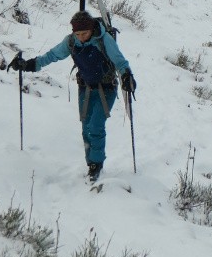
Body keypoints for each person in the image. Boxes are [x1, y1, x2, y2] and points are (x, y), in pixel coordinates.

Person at [10, 11, 136, 182]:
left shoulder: (104, 39)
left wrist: (127, 76)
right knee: (86, 128)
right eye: (78, 34)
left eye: (84, 33)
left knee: (96, 125)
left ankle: (96, 165)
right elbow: (52, 56)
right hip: (85, 88)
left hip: (107, 88)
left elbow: (120, 62)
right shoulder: (70, 41)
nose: (81, 37)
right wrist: (29, 65)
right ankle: (91, 163)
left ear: (92, 29)